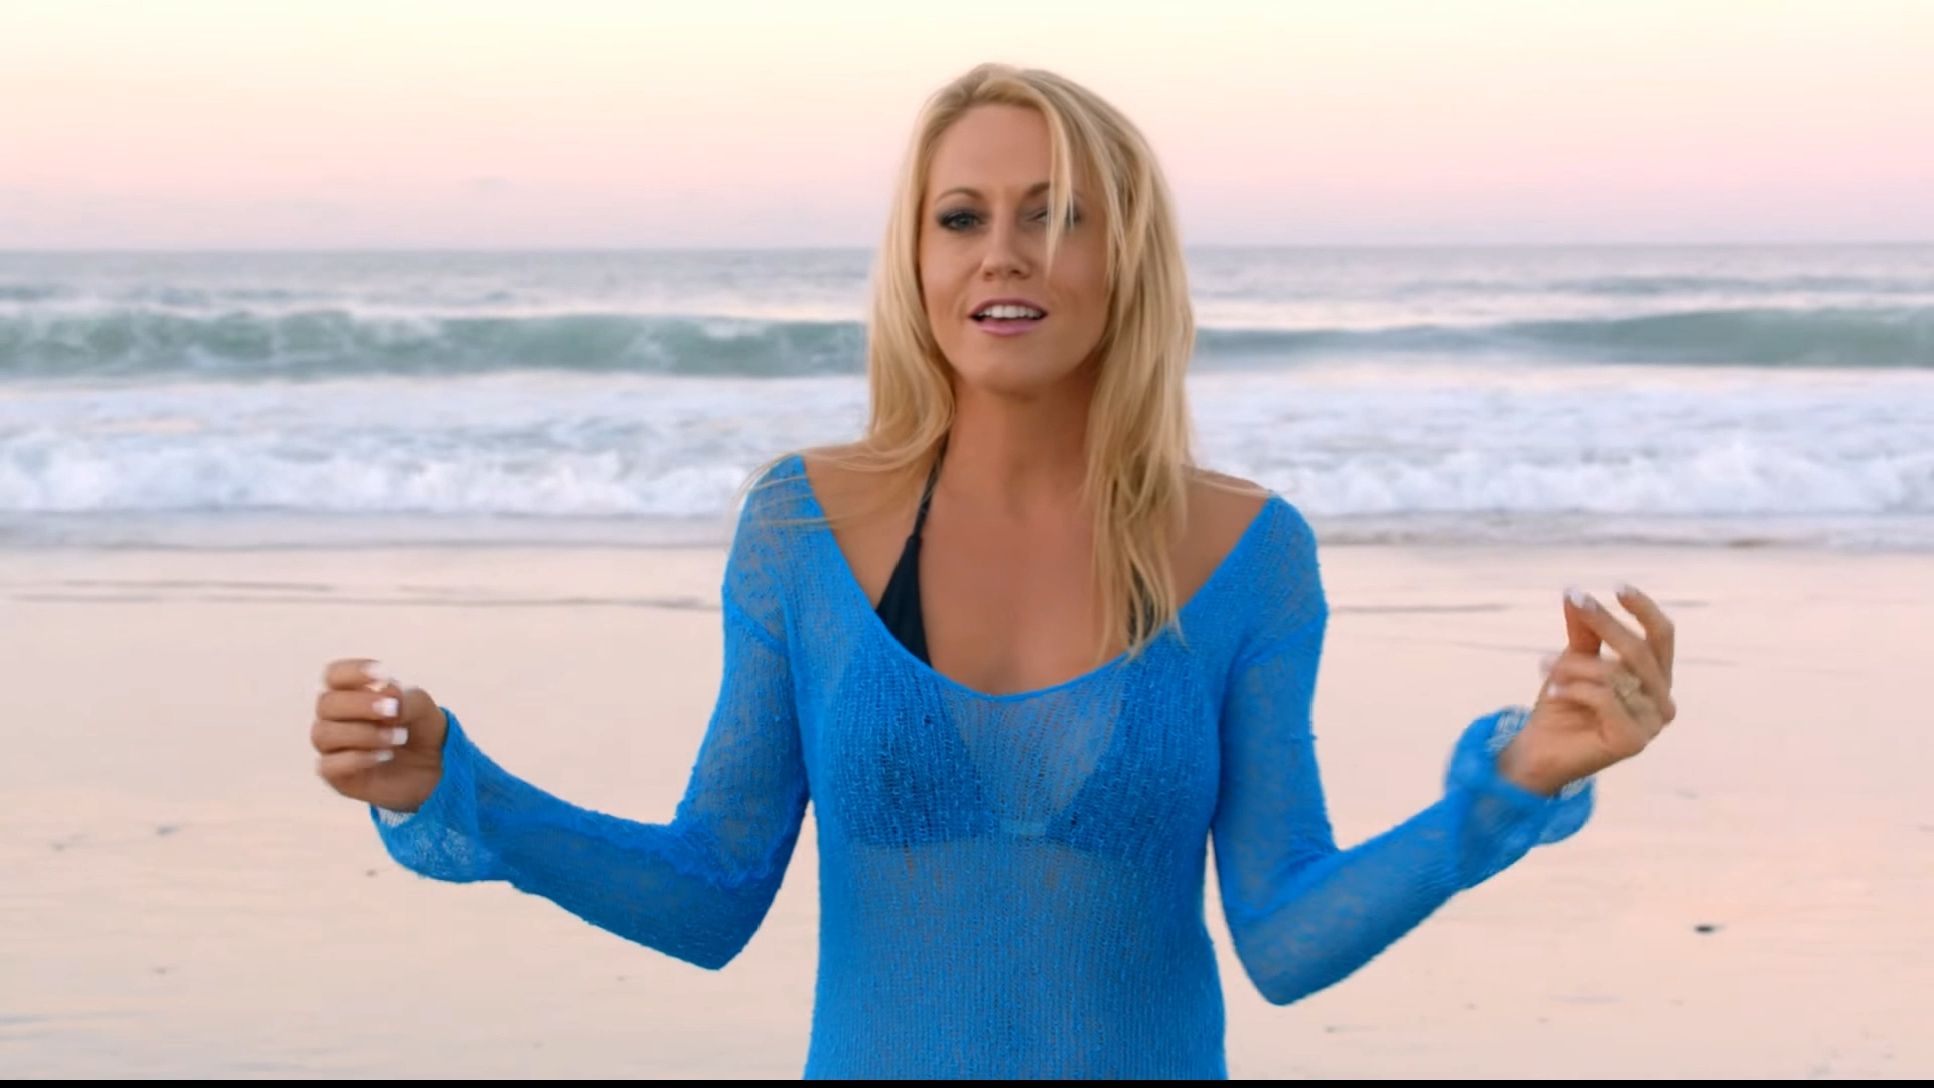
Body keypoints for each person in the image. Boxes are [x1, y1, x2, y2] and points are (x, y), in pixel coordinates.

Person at [308, 62, 1680, 1079]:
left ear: (1125, 255)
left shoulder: (1246, 553)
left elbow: (1283, 934)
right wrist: (456, 787)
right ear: (915, 259)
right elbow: (710, 891)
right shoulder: (801, 528)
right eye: (961, 216)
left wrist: (1516, 783)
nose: (1004, 253)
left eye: (1057, 214)